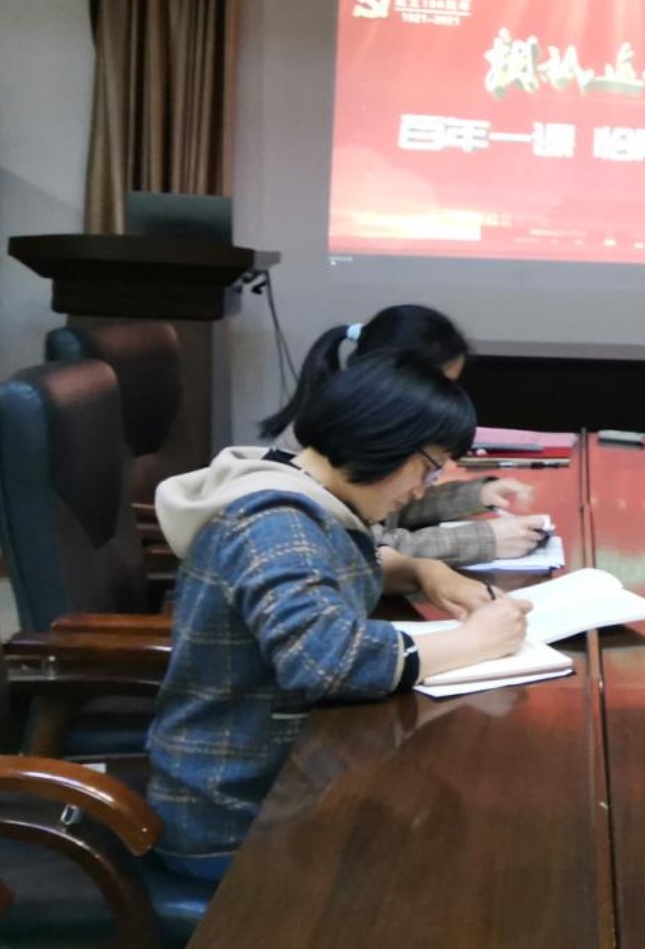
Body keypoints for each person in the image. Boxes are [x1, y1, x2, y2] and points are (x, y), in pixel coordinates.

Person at [149, 351, 530, 880]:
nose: (423, 490)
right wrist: (474, 642)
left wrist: (425, 571)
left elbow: (339, 564)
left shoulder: (301, 487)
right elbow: (327, 662)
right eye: (429, 467)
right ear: (385, 438)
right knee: (464, 863)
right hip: (239, 815)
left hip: (289, 778)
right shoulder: (274, 521)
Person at [262, 305, 547, 566]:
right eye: (436, 385)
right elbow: (366, 549)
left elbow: (388, 507)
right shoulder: (295, 501)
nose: (441, 400)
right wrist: (484, 540)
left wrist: (474, 495)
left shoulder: (349, 431)